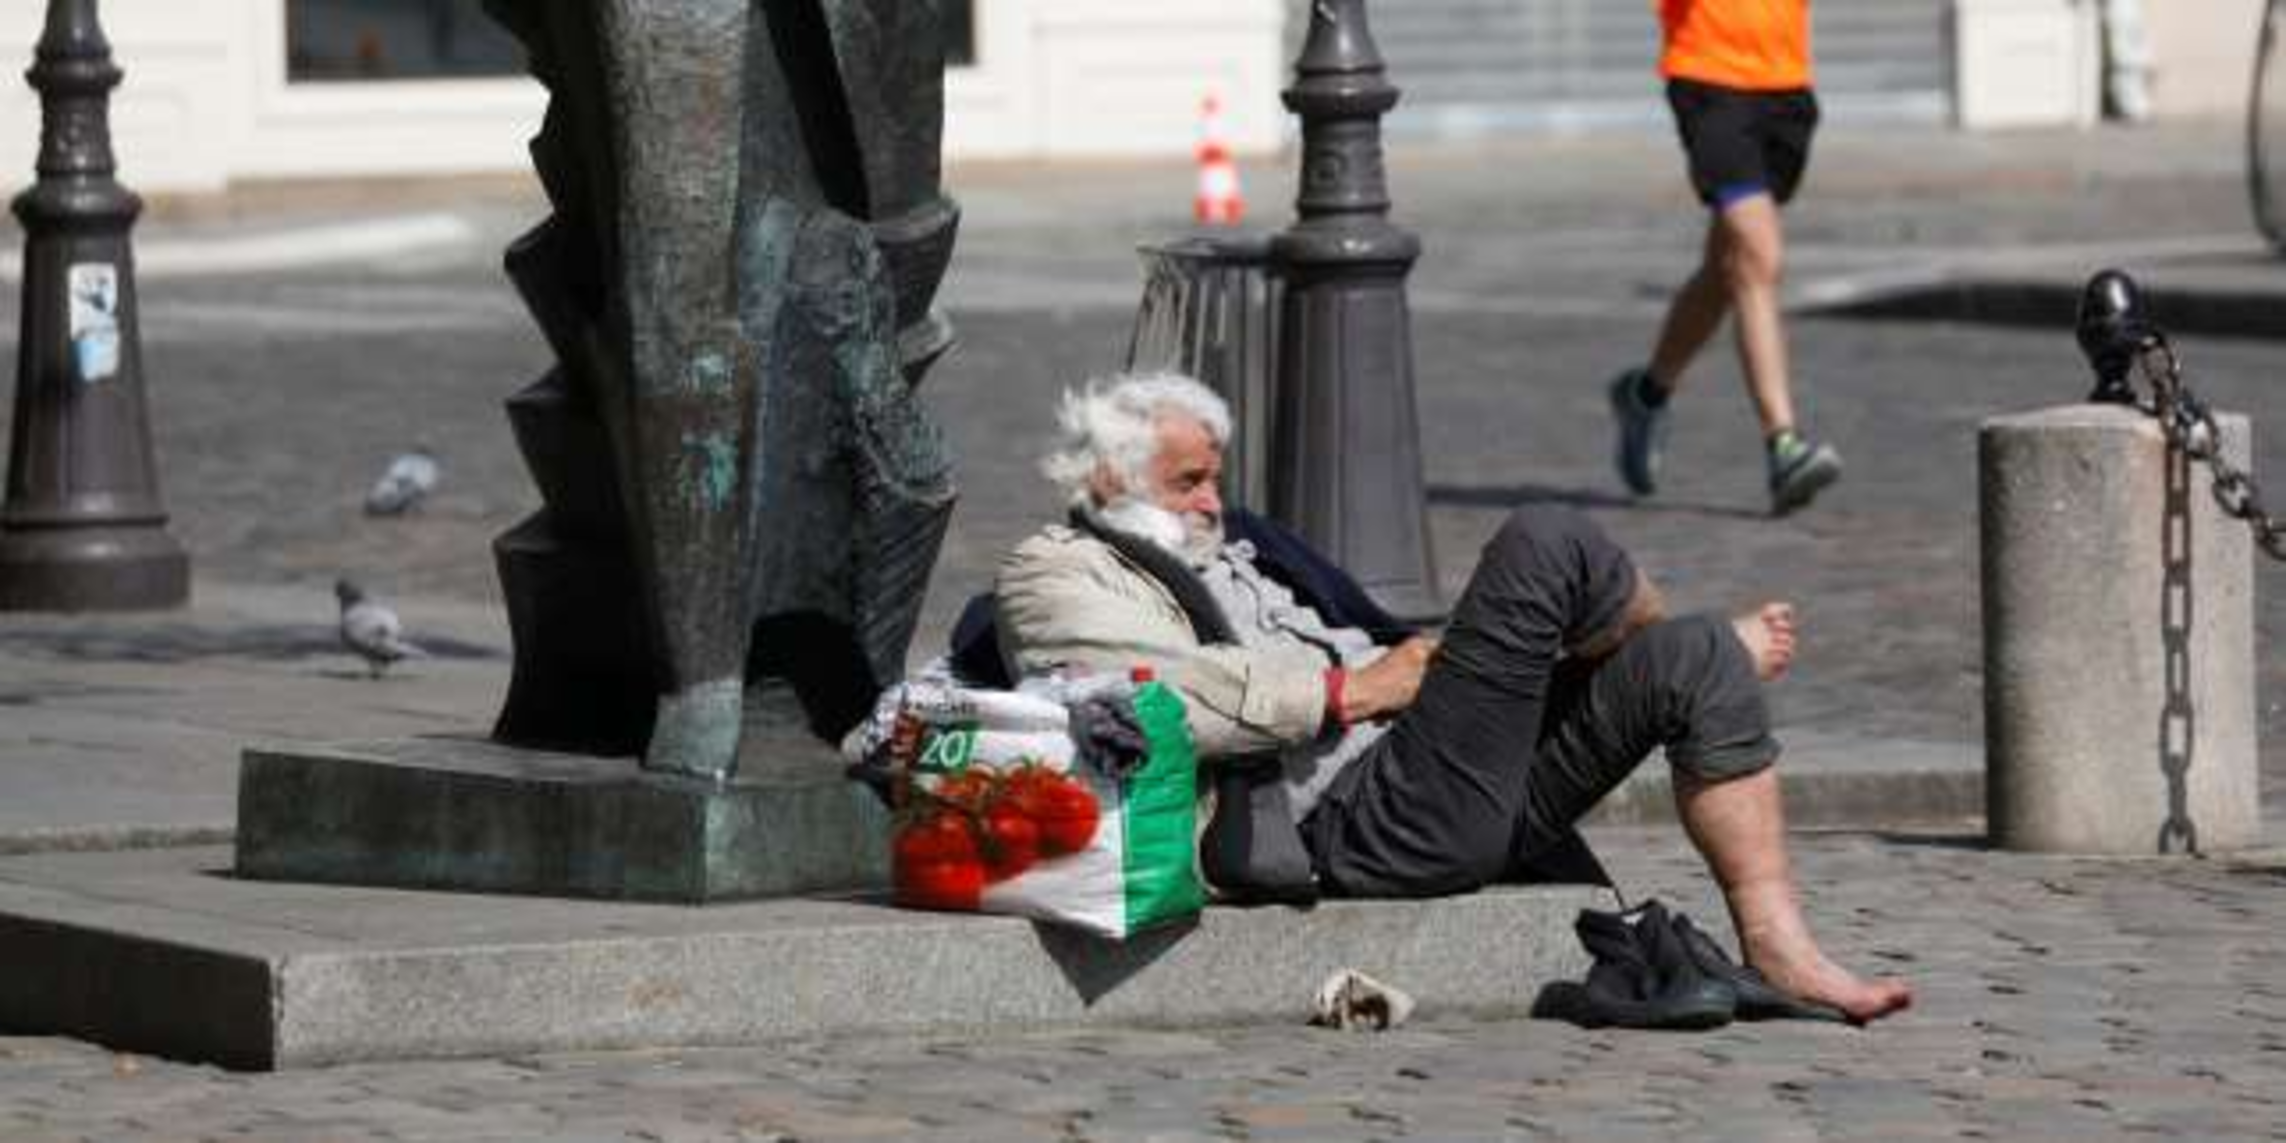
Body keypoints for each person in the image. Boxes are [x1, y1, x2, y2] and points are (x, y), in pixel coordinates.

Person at [996, 372, 1912, 1023]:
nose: (1213, 504)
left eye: (1215, 480)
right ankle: (1623, 628)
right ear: (1110, 480)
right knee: (1545, 539)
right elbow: (1148, 697)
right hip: (1359, 814)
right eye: (1189, 482)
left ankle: (1779, 941)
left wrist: (1412, 671)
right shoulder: (1058, 572)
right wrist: (1347, 690)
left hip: (1435, 764)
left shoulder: (1235, 548)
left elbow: (1366, 633)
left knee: (1694, 656)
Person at [1609, 0, 1842, 516]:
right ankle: (1783, 446)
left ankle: (1646, 395)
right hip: (1709, 78)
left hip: (1785, 84)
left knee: (1728, 270)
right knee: (1759, 255)